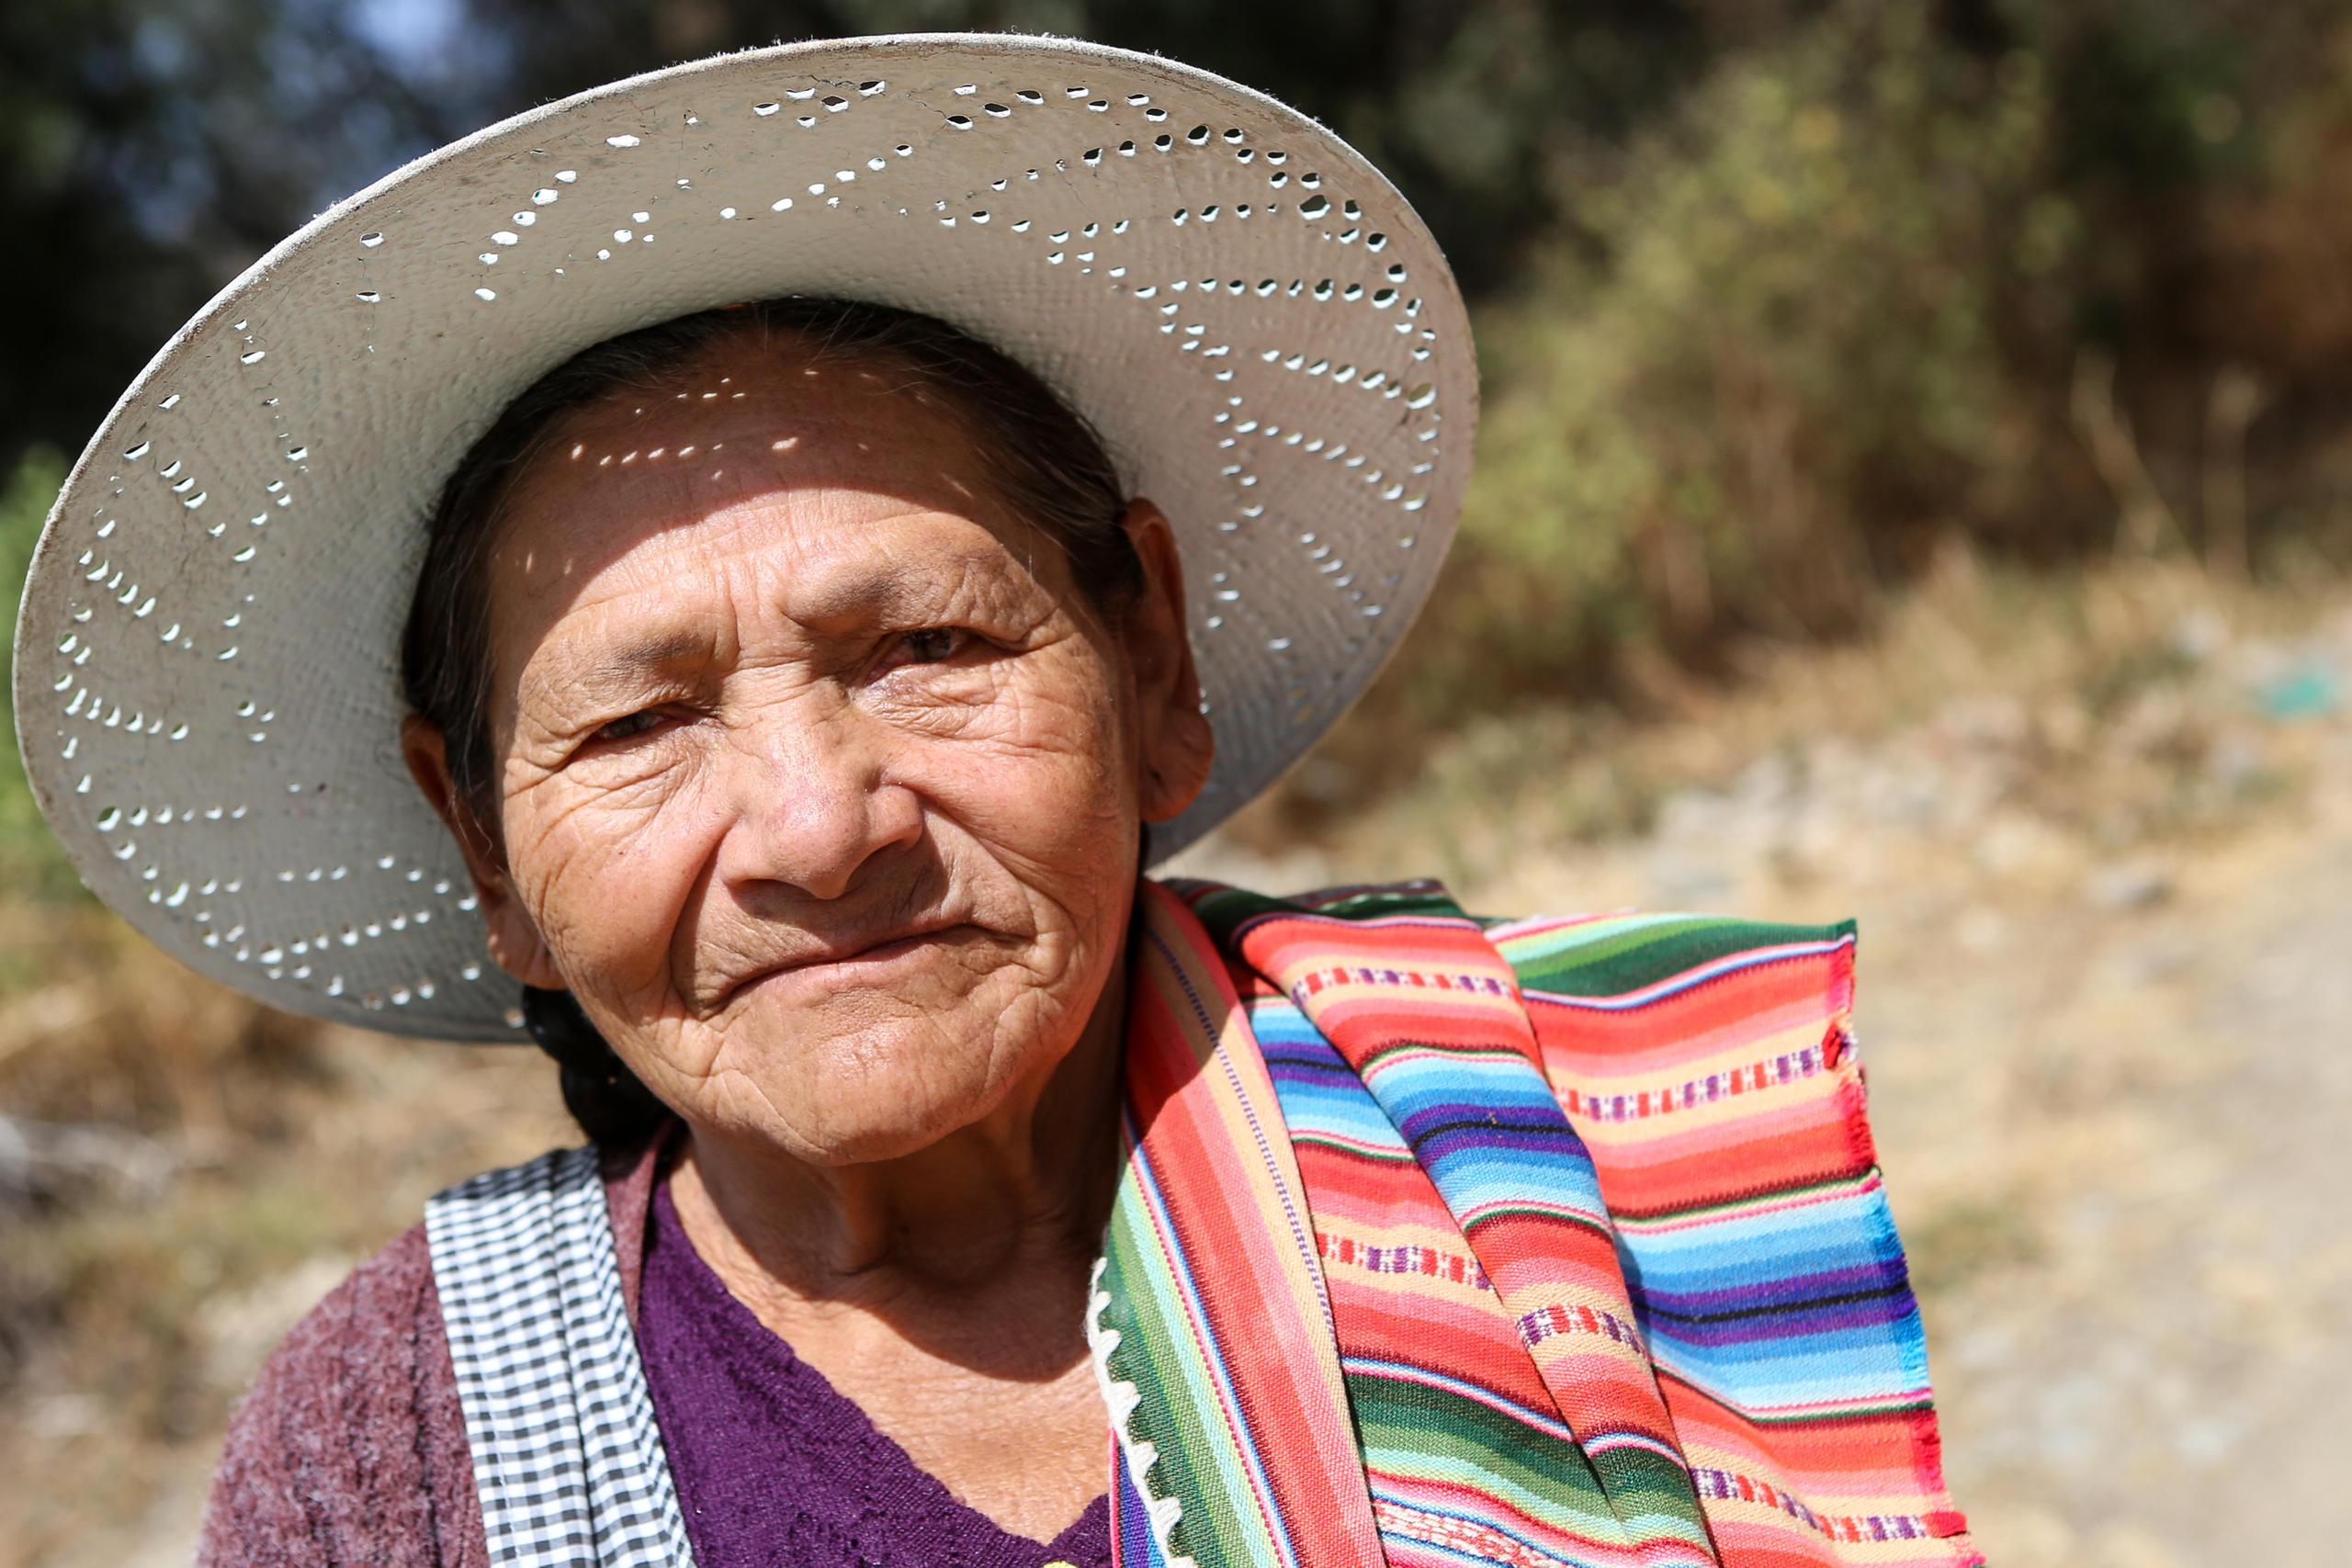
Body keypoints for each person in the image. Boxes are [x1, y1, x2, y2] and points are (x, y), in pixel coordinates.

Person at [12, 35, 1978, 1568]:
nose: (812, 823)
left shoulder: (1557, 1147)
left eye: (925, 651)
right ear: (484, 853)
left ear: (1150, 669)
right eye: (635, 729)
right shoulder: (403, 1442)